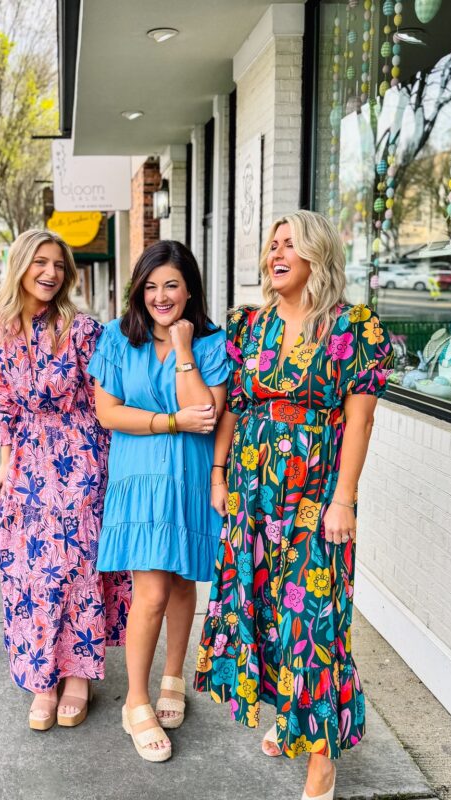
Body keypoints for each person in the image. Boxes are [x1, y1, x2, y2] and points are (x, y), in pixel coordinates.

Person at [194, 211, 393, 800]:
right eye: (272, 245)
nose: (275, 254)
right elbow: (230, 406)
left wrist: (344, 499)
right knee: (262, 612)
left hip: (316, 495)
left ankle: (321, 761)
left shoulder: (353, 327)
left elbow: (360, 421)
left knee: (314, 622)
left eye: (290, 245)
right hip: (253, 494)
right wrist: (219, 472)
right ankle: (291, 718)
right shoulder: (246, 326)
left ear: (318, 255)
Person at [0, 229, 130, 732]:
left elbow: (103, 396)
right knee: (31, 576)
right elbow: (1, 403)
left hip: (82, 458)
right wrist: (5, 464)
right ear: (19, 265)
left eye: (59, 266)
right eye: (40, 262)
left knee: (78, 570)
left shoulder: (82, 328)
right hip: (27, 461)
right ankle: (42, 679)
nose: (50, 273)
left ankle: (79, 677)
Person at [88, 240, 229, 762]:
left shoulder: (213, 344)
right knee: (148, 590)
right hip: (140, 478)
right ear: (137, 290)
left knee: (181, 581)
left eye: (170, 284)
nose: (160, 295)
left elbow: (208, 413)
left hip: (190, 478)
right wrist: (169, 421)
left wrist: (185, 348)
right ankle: (137, 701)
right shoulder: (117, 339)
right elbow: (108, 412)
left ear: (189, 286)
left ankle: (174, 675)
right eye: (150, 286)